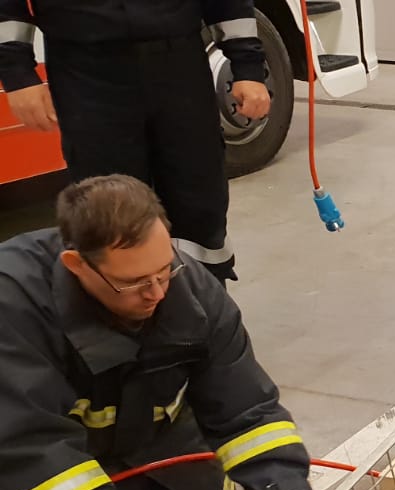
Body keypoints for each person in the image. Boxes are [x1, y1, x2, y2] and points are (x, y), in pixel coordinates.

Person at [0, 174, 373, 490]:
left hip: (143, 434)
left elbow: (248, 413)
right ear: (77, 265)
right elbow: (29, 447)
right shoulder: (13, 306)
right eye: (134, 283)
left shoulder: (190, 286)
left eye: (164, 271)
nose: (158, 294)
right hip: (47, 462)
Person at [0, 0, 270, 285]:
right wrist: (17, 74)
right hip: (85, 72)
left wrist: (247, 66)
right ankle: (123, 302)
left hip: (179, 63)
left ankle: (204, 297)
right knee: (110, 208)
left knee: (199, 195)